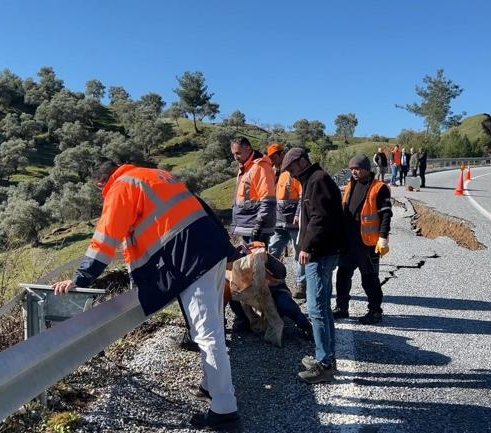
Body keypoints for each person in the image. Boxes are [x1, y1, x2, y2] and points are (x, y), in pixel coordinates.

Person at [51, 162, 239, 430]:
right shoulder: (154, 175)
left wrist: (81, 278)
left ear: (100, 184)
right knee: (211, 328)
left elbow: (105, 238)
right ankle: (212, 386)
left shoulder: (121, 187)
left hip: (191, 259)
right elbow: (201, 207)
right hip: (209, 248)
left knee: (206, 334)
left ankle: (225, 410)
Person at [280, 147, 346, 384]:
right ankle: (327, 357)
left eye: (290, 169)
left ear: (300, 162)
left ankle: (324, 364)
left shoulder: (317, 181)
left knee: (317, 308)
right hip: (324, 252)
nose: (290, 174)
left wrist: (307, 247)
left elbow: (320, 219)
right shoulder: (316, 179)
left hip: (320, 254)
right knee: (323, 307)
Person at [334, 154, 392, 325]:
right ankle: (341, 308)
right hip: (348, 242)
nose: (354, 172)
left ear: (367, 169)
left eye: (357, 168)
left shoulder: (379, 188)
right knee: (342, 275)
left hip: (367, 244)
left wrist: (383, 238)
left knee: (369, 279)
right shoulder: (349, 186)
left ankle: (375, 311)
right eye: (352, 169)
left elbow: (386, 214)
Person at [231, 242, 313, 338]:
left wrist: (266, 259)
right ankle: (244, 320)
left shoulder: (264, 258)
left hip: (274, 292)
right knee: (233, 296)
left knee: (286, 304)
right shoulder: (234, 265)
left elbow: (282, 273)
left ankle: (305, 325)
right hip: (250, 295)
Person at [266, 143, 306, 299]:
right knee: (272, 253)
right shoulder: (278, 174)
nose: (272, 161)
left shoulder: (294, 173)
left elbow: (303, 196)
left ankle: (301, 285)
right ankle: (274, 283)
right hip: (279, 224)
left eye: (274, 157)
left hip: (294, 225)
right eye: (270, 158)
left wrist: (298, 215)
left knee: (299, 255)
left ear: (281, 154)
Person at [230, 136, 276, 245]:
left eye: (238, 153)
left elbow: (268, 200)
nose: (235, 157)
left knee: (257, 261)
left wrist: (259, 225)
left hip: (255, 227)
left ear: (248, 149)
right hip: (246, 225)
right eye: (233, 154)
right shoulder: (245, 167)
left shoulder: (260, 167)